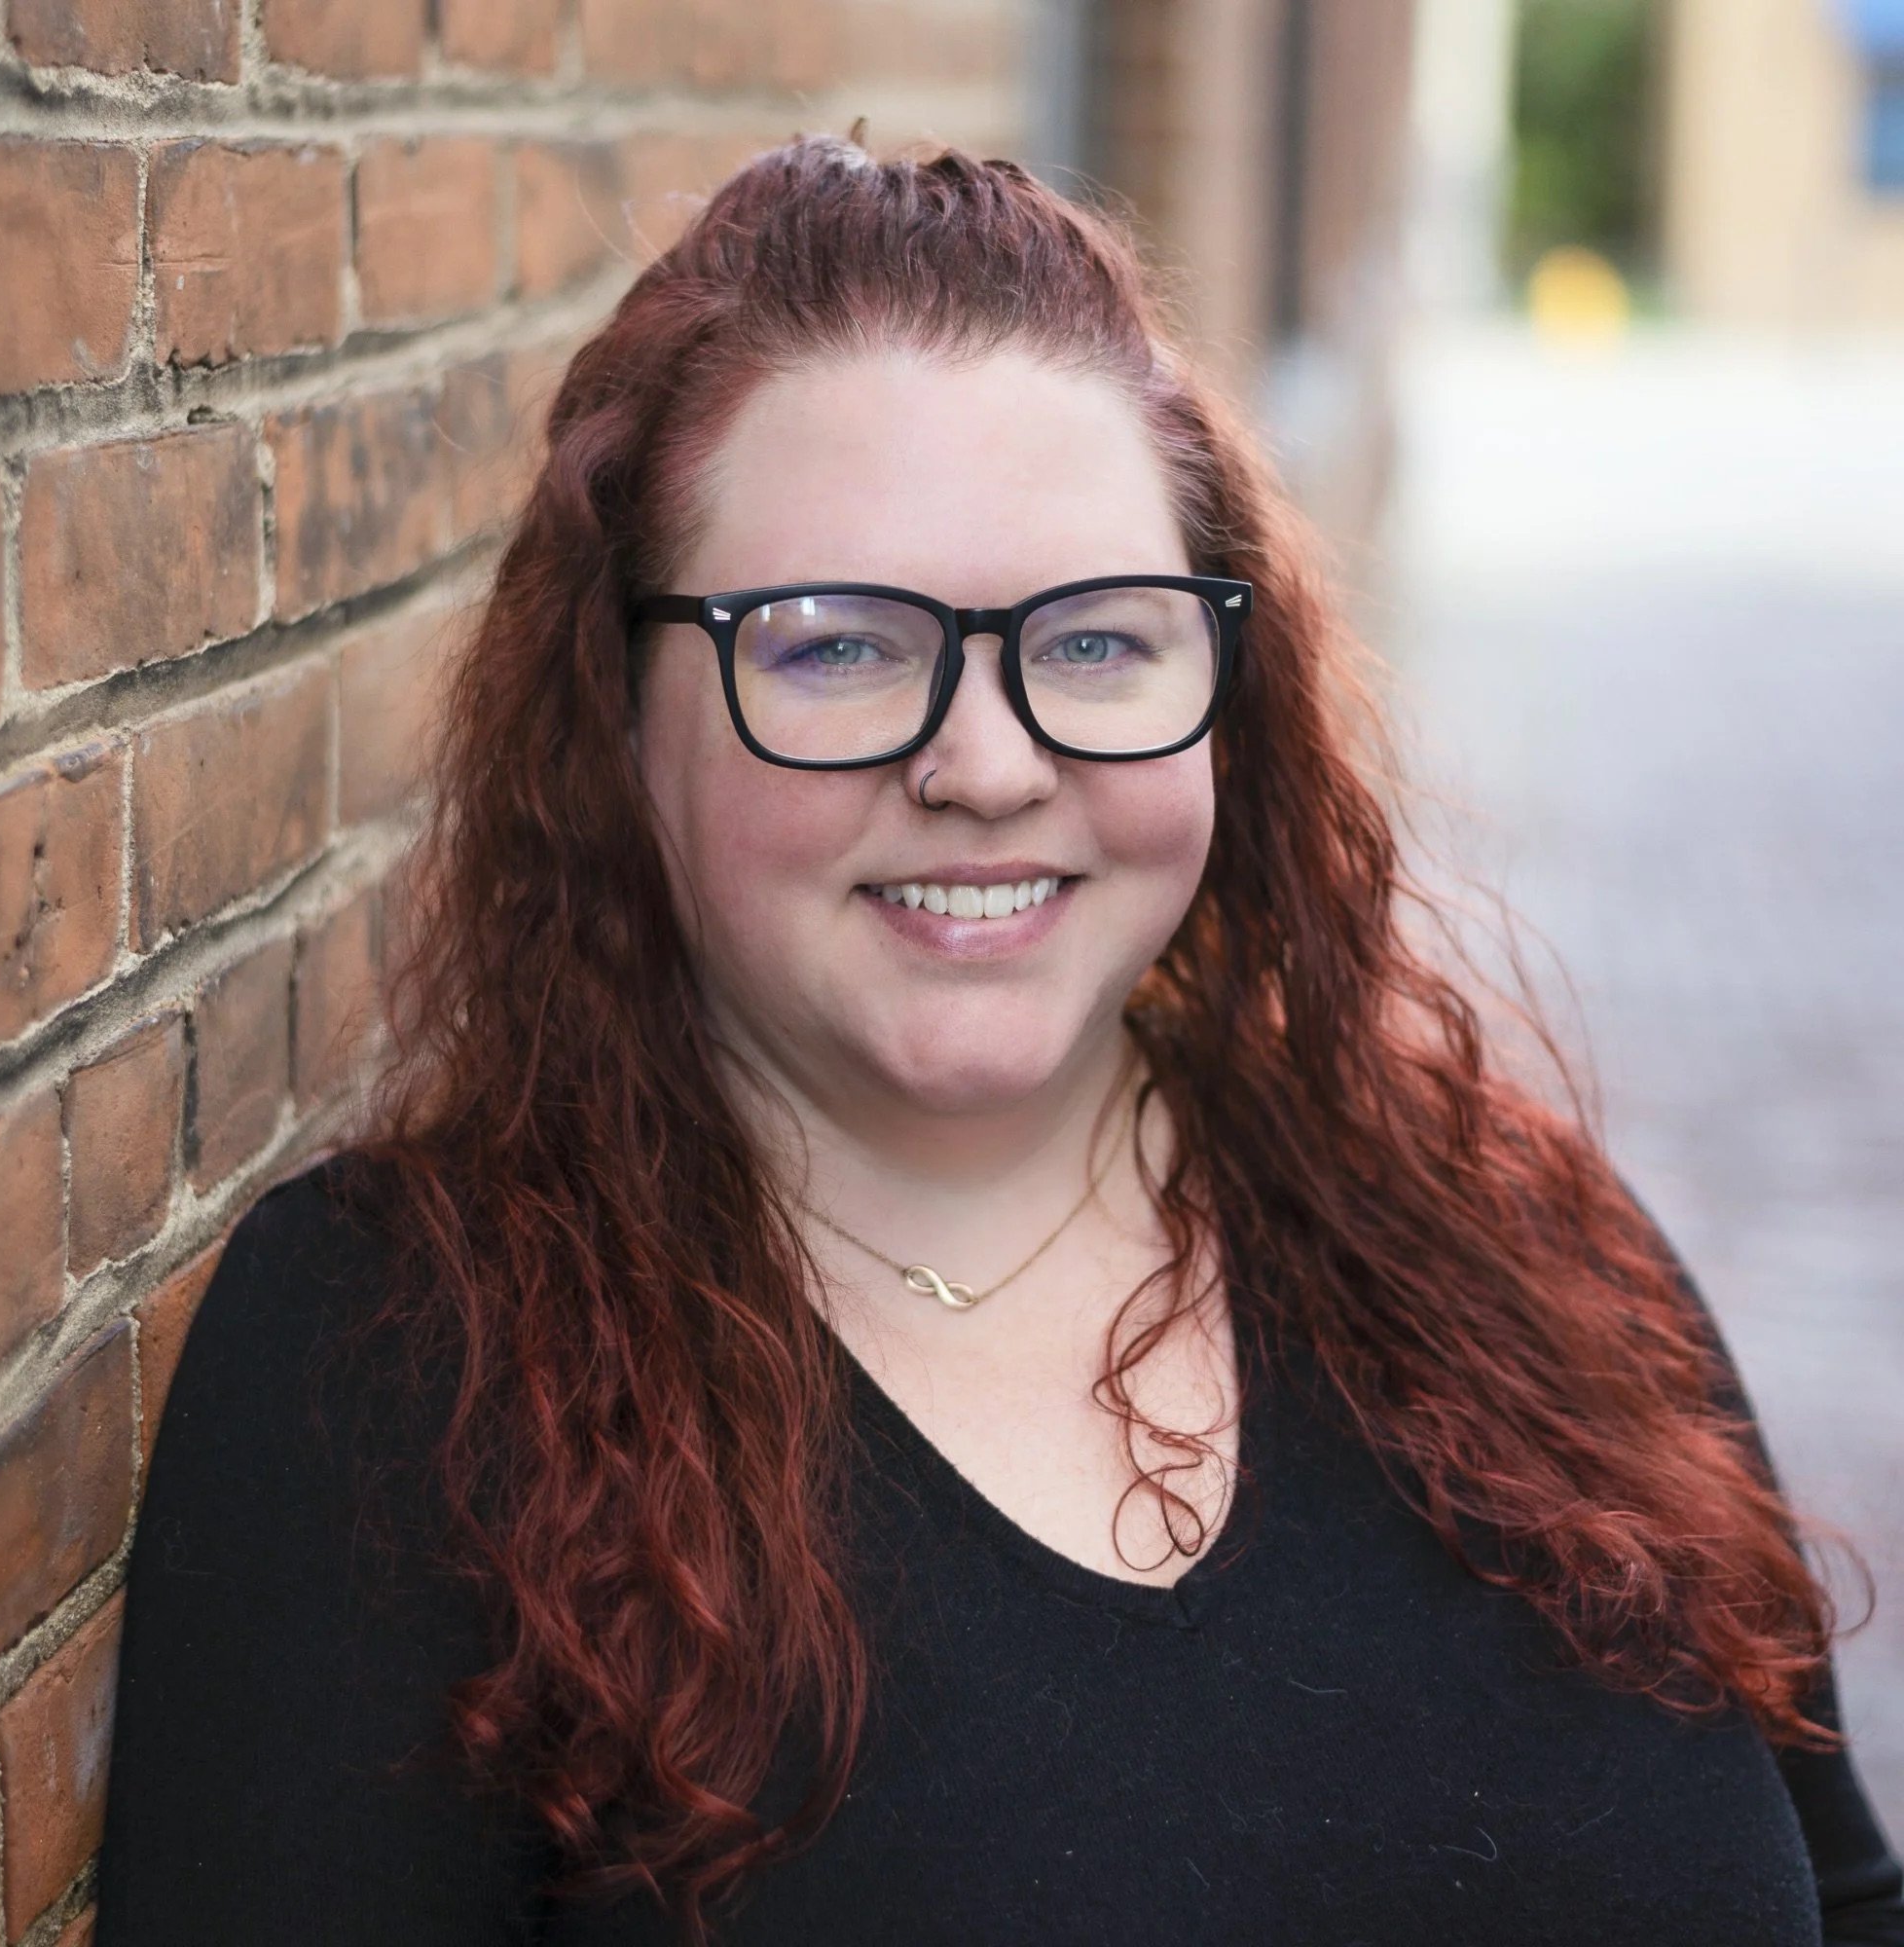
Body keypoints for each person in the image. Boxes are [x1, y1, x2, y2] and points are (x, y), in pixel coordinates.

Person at [95, 131, 1904, 1946]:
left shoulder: (1515, 1243)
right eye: (833, 649)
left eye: (1102, 644)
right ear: (616, 719)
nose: (986, 763)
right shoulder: (401, 1363)